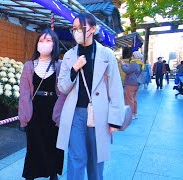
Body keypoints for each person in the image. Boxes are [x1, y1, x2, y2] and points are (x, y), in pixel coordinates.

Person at [56, 12, 125, 180]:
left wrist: (115, 119)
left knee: (96, 159)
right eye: (74, 29)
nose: (76, 32)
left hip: (99, 113)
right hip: (75, 114)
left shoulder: (106, 54)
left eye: (80, 28)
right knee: (76, 158)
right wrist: (74, 68)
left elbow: (115, 87)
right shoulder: (69, 55)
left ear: (92, 29)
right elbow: (62, 87)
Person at [18, 28, 66, 180]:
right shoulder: (29, 66)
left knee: (53, 145)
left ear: (55, 44)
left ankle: (53, 174)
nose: (44, 43)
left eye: (48, 40)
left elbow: (63, 92)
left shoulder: (60, 66)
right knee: (34, 146)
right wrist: (24, 117)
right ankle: (31, 175)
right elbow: (24, 93)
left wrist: (58, 115)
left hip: (53, 110)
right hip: (35, 109)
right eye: (41, 40)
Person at [121, 51, 144, 119]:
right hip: (136, 83)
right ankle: (134, 113)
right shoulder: (140, 63)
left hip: (130, 83)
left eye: (133, 55)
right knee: (134, 99)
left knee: (129, 99)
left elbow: (127, 70)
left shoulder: (134, 63)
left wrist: (123, 65)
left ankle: (130, 114)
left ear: (135, 56)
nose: (132, 56)